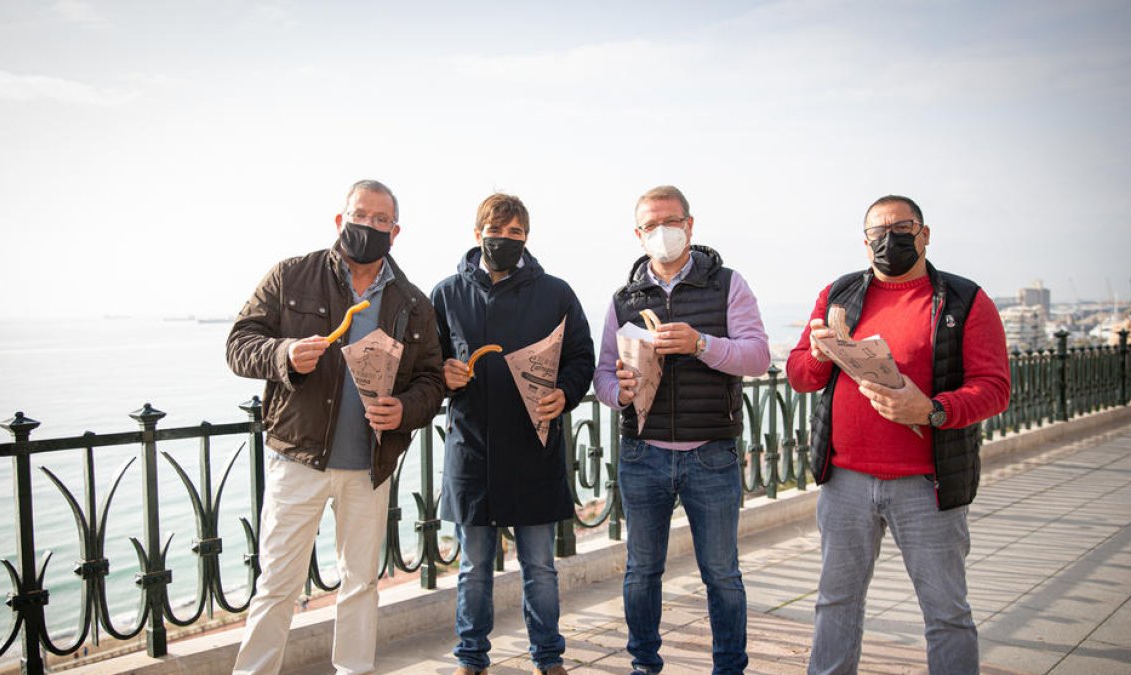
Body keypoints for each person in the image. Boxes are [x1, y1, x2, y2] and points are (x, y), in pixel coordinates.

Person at [226, 179, 445, 675]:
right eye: (359, 216)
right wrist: (283, 354)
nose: (368, 226)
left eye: (380, 220)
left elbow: (432, 379)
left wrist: (405, 410)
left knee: (362, 582)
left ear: (396, 231)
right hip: (297, 458)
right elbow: (239, 344)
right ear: (339, 220)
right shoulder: (291, 275)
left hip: (370, 464)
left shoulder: (412, 302)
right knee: (277, 582)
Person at [787, 195, 1010, 674]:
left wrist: (931, 409)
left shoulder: (964, 299)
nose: (889, 240)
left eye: (901, 228)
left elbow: (994, 389)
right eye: (877, 233)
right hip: (844, 480)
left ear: (924, 234)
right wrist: (819, 355)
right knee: (835, 604)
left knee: (946, 612)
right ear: (865, 244)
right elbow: (800, 376)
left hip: (925, 484)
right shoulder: (839, 293)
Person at [593, 185, 770, 675]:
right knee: (642, 572)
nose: (661, 233)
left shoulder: (728, 285)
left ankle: (729, 668)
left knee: (722, 575)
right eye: (650, 225)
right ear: (638, 234)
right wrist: (621, 392)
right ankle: (644, 666)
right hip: (642, 454)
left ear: (690, 225)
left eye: (670, 222)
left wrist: (700, 344)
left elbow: (757, 356)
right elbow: (603, 375)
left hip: (711, 453)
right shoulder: (623, 298)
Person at [432, 193, 595, 675]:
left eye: (516, 233)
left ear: (527, 237)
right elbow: (425, 365)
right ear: (476, 232)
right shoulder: (445, 293)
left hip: (534, 449)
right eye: (496, 231)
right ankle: (471, 658)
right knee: (473, 569)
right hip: (471, 451)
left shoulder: (557, 293)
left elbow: (581, 357)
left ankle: (549, 657)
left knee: (540, 568)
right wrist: (444, 373)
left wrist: (564, 393)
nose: (505, 240)